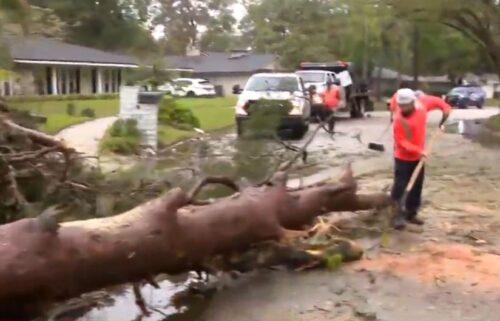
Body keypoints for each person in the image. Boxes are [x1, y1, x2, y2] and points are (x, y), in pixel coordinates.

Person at [391, 88, 451, 230]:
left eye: (406, 105)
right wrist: (419, 151)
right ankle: (396, 216)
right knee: (400, 186)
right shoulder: (399, 119)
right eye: (401, 106)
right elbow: (401, 142)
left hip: (418, 157)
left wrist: (443, 119)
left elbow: (442, 104)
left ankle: (411, 213)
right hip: (402, 157)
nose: (403, 108)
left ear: (413, 102)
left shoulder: (422, 104)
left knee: (417, 186)